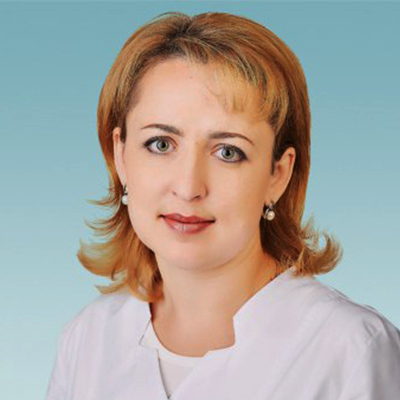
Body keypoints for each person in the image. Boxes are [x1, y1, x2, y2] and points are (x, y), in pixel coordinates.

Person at [45, 11, 400, 400]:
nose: (188, 188)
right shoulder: (88, 340)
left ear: (277, 174)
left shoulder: (352, 351)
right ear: (120, 155)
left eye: (228, 152)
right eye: (161, 144)